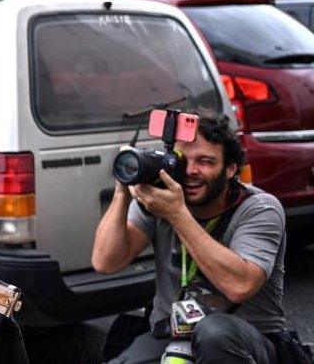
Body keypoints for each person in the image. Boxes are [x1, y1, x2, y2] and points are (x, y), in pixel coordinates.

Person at [92, 108, 293, 364]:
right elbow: (105, 261)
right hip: (170, 334)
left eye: (205, 161)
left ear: (231, 169)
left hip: (243, 341)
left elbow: (240, 286)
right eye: (182, 160)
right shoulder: (161, 198)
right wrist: (123, 192)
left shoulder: (259, 208)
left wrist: (178, 215)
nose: (190, 171)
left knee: (213, 334)